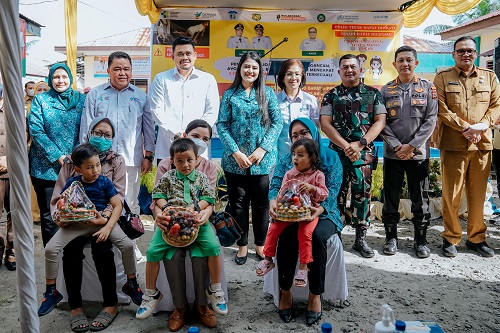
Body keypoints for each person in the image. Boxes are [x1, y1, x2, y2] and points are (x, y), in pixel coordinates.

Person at [38, 143, 142, 319]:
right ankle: (51, 291)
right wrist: (63, 206)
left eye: (97, 165)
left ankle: (131, 284)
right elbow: (61, 204)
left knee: (127, 245)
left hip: (101, 222)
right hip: (77, 224)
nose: (95, 170)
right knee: (50, 249)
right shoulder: (73, 183)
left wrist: (108, 227)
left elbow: (117, 205)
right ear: (78, 169)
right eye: (89, 167)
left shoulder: (104, 182)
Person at [50, 117, 127, 332]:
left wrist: (104, 219)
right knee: (71, 251)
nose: (102, 138)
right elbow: (58, 197)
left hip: (103, 219)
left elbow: (119, 197)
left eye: (107, 135)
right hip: (74, 220)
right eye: (98, 133)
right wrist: (64, 216)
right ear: (89, 133)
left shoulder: (117, 161)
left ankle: (110, 305)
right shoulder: (70, 162)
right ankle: (75, 307)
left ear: (113, 139)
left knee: (103, 249)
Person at [79, 51, 155, 260]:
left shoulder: (140, 96)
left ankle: (130, 242)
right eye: (117, 69)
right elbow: (86, 126)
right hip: (99, 160)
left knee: (130, 202)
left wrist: (148, 155)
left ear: (131, 71)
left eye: (126, 69)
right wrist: (83, 156)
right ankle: (102, 240)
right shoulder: (95, 94)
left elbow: (148, 128)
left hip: (131, 159)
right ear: (108, 71)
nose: (122, 73)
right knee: (98, 199)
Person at [270, 118, 344, 326]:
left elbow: (332, 193)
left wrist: (316, 211)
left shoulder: (331, 158)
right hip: (294, 211)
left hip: (324, 212)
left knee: (318, 237)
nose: (299, 138)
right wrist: (273, 202)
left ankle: (315, 295)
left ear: (314, 133)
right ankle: (285, 292)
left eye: (304, 133)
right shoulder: (288, 159)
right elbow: (276, 184)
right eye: (294, 136)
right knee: (285, 237)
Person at [144, 138, 222, 331]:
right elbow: (158, 195)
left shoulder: (202, 177)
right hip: (171, 224)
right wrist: (166, 209)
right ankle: (158, 298)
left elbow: (208, 197)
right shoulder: (168, 177)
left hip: (195, 222)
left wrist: (196, 209)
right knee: (154, 251)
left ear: (197, 159)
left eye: (189, 160)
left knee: (211, 248)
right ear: (172, 161)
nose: (185, 165)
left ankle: (210, 295)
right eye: (180, 161)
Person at [433, 36, 500, 258]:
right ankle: (451, 237)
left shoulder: (489, 77)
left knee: (478, 195)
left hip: (481, 145)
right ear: (453, 54)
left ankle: (476, 238)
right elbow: (441, 108)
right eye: (461, 51)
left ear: (476, 53)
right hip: (453, 145)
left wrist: (481, 127)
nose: (466, 54)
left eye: (470, 51)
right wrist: (467, 128)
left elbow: (496, 106)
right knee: (451, 195)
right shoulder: (442, 78)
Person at [216, 51, 283, 264]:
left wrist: (263, 149)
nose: (250, 71)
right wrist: (235, 152)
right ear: (240, 69)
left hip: (261, 162)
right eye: (246, 67)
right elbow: (222, 125)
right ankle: (242, 246)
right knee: (238, 204)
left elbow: (277, 123)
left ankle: (261, 246)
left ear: (260, 71)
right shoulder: (230, 95)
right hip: (234, 162)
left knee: (262, 205)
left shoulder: (268, 94)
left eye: (254, 67)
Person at [320, 54, 387, 258]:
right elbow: (325, 123)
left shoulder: (374, 94)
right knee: (335, 196)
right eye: (345, 67)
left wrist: (360, 144)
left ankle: (361, 239)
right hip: (337, 155)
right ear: (339, 71)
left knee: (363, 197)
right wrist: (346, 145)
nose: (349, 70)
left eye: (353, 67)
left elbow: (380, 121)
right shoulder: (330, 95)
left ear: (360, 70)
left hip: (363, 154)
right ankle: (335, 236)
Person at [379, 46, 438, 258]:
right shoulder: (385, 91)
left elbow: (431, 120)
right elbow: (381, 122)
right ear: (394, 64)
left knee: (420, 199)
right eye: (401, 60)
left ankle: (420, 241)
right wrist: (397, 146)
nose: (405, 64)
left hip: (418, 155)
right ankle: (390, 238)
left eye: (409, 60)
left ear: (416, 63)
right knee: (391, 198)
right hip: (393, 155)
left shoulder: (428, 88)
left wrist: (411, 146)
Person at [257, 138, 328, 288]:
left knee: (305, 233)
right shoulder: (290, 174)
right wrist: (282, 203)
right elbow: (282, 194)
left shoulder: (317, 175)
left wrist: (313, 188)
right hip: (291, 213)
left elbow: (324, 194)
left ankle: (303, 267)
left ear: (312, 158)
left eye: (301, 155)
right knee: (274, 228)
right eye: (294, 154)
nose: (295, 158)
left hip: (308, 212)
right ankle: (268, 259)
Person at [29, 63, 85, 247]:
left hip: (75, 166)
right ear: (50, 79)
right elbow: (36, 131)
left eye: (64, 77)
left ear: (70, 78)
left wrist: (75, 156)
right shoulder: (41, 100)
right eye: (56, 77)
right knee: (50, 215)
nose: (60, 80)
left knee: (75, 211)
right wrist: (58, 156)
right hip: (45, 169)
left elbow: (86, 129)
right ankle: (53, 257)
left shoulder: (82, 99)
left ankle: (72, 256)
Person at [150, 37, 219, 163]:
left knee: (198, 183)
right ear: (173, 57)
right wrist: (176, 134)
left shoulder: (208, 80)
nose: (184, 57)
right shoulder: (161, 79)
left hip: (198, 151)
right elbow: (156, 110)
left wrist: (195, 134)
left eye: (188, 53)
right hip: (167, 150)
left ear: (195, 55)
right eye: (180, 54)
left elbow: (212, 111)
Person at [276, 59, 319, 158]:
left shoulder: (311, 100)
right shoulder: (274, 101)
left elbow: (315, 129)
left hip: (305, 157)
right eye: (289, 74)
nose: (293, 78)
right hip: (280, 156)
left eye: (297, 74)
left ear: (302, 77)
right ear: (283, 77)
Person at [0, 84, 15, 271]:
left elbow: (25, 137)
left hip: (13, 171)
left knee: (15, 213)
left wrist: (7, 159)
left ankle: (12, 251)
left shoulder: (14, 109)